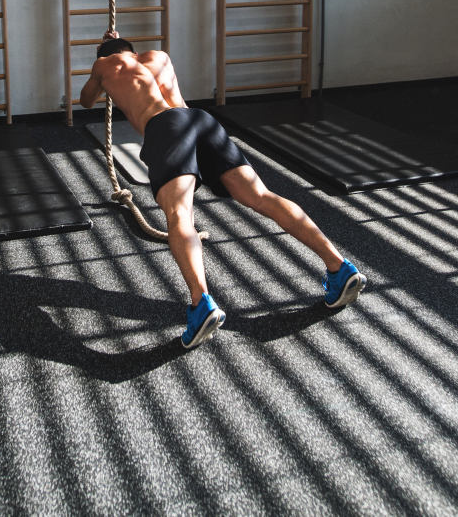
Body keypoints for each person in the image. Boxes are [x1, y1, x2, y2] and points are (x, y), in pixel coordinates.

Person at [80, 31, 366, 349]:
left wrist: (99, 64)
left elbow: (86, 100)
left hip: (165, 128)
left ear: (104, 53)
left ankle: (200, 303)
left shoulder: (104, 65)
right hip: (199, 120)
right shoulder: (157, 56)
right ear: (130, 48)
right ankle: (339, 267)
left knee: (179, 213)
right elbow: (135, 66)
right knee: (261, 195)